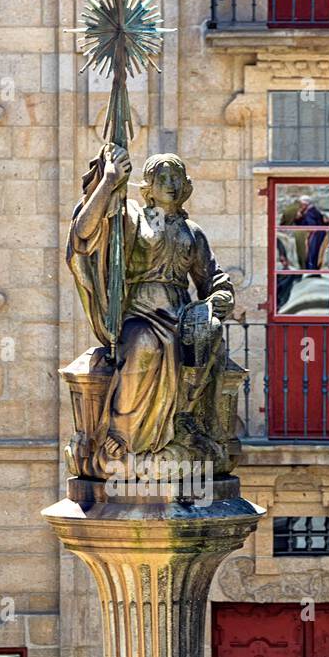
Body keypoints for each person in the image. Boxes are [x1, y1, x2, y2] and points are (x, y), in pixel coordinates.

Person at [66, 143, 234, 472]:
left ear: (186, 186)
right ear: (147, 188)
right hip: (139, 311)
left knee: (204, 335)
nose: (170, 183)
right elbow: (83, 233)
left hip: (181, 314)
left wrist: (219, 297)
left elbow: (212, 278)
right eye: (162, 176)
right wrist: (109, 180)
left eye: (177, 177)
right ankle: (121, 434)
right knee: (145, 345)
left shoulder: (192, 232)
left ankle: (184, 421)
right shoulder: (132, 218)